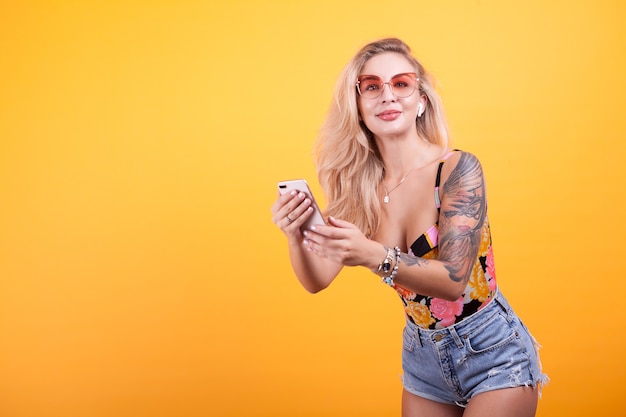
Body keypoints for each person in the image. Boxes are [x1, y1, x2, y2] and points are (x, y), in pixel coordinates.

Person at [271, 38, 548, 417]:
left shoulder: (456, 169)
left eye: (400, 83)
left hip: (492, 351)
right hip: (422, 359)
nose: (387, 95)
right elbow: (316, 279)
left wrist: (372, 254)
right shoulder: (359, 191)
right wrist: (296, 234)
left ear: (420, 100)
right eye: (372, 87)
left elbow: (454, 279)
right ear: (358, 106)